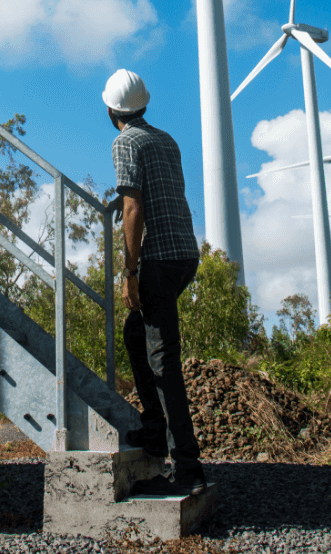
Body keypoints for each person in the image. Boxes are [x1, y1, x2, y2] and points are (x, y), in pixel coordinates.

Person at [102, 68, 208, 496]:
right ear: (144, 103)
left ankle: (187, 464)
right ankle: (155, 427)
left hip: (158, 260)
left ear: (111, 109)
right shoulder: (167, 140)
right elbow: (158, 191)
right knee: (136, 335)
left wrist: (129, 272)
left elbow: (134, 208)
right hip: (185, 253)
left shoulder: (124, 142)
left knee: (162, 361)